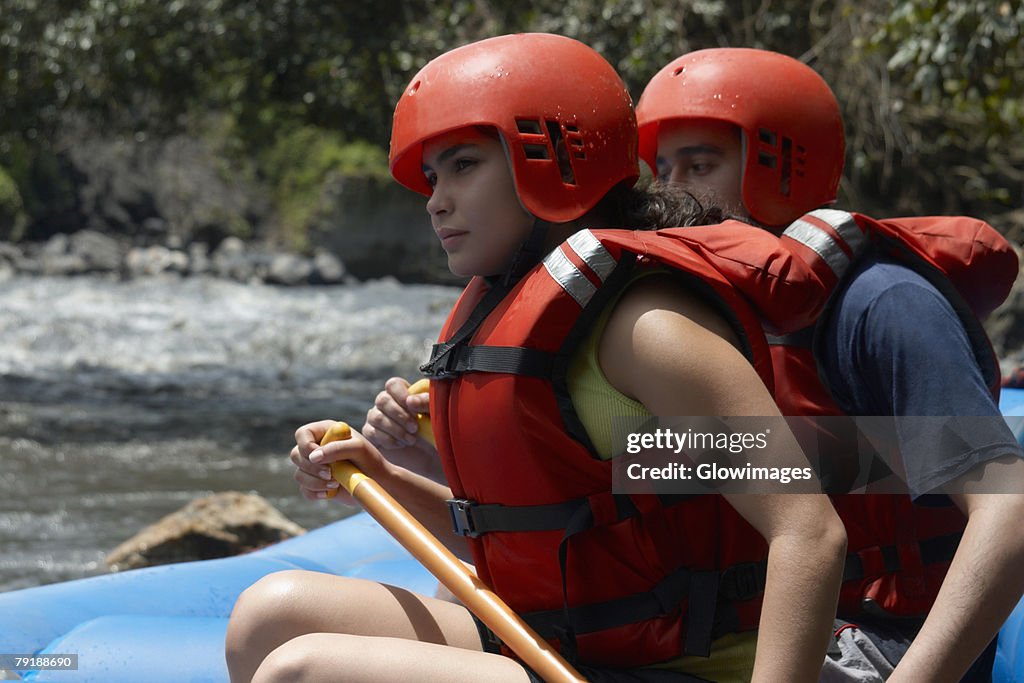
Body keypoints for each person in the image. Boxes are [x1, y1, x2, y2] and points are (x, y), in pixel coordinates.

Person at [225, 34, 849, 683]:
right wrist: (382, 475)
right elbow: (546, 540)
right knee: (265, 616)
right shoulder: (522, 311)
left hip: (676, 666)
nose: (436, 199)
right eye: (433, 177)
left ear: (554, 160)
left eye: (464, 166)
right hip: (561, 642)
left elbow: (808, 532)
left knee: (299, 670)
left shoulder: (649, 328)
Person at [636, 47, 1024, 682]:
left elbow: (1009, 513)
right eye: (664, 168)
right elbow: (654, 481)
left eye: (700, 164)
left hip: (884, 643)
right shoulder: (715, 319)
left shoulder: (884, 305)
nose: (672, 190)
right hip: (755, 624)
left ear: (785, 166)